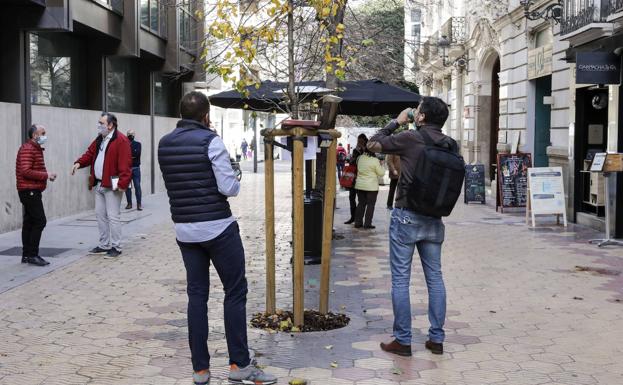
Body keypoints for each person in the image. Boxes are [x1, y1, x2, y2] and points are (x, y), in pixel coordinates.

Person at [158, 92, 276, 385]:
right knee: (235, 292)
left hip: (185, 230)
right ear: (206, 116)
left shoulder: (164, 144)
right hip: (218, 229)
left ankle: (200, 370)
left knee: (196, 295)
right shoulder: (211, 142)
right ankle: (239, 365)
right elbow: (229, 189)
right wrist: (236, 177)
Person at [368, 97, 455, 357]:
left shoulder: (410, 138)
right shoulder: (451, 144)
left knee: (401, 280)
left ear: (422, 117)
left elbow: (373, 144)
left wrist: (397, 121)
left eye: (417, 112)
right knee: (435, 279)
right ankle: (436, 339)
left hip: (407, 215)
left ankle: (403, 341)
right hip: (434, 218)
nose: (415, 114)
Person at [72, 113, 132, 258]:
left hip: (112, 185)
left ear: (110, 125)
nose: (99, 125)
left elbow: (125, 165)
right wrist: (79, 163)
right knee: (100, 215)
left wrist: (122, 184)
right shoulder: (100, 138)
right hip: (99, 184)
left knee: (113, 216)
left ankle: (116, 247)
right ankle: (104, 244)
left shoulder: (121, 140)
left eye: (101, 123)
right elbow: (90, 153)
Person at [15, 124, 57, 266]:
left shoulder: (34, 148)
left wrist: (46, 176)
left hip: (30, 189)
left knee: (29, 222)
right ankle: (32, 255)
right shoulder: (28, 149)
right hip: (29, 190)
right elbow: (25, 171)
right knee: (40, 221)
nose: (45, 135)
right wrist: (46, 175)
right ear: (35, 135)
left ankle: (26, 255)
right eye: (43, 133)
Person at [353, 149, 385, 229]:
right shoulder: (375, 160)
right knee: (370, 205)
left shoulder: (359, 158)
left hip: (360, 185)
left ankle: (358, 222)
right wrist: (381, 165)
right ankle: (367, 224)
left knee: (361, 204)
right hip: (371, 187)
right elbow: (381, 173)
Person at [344, 134, 368, 225]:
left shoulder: (369, 151)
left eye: (361, 141)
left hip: (363, 178)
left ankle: (359, 219)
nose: (359, 143)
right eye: (358, 141)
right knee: (352, 198)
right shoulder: (355, 150)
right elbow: (352, 162)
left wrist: (363, 150)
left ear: (365, 141)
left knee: (362, 200)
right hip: (354, 178)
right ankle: (353, 217)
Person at [125, 129, 143, 211]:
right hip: (127, 169)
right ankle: (129, 203)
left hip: (135, 169)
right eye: (129, 134)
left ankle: (139, 204)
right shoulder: (124, 144)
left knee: (137, 186)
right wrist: (131, 156)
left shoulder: (138, 144)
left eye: (132, 134)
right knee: (127, 187)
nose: (130, 135)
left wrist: (129, 156)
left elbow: (137, 153)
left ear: (134, 135)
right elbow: (123, 155)